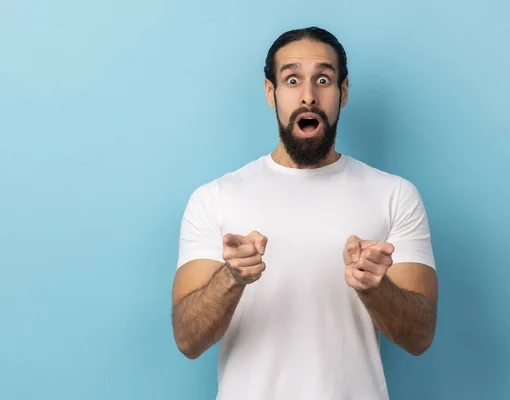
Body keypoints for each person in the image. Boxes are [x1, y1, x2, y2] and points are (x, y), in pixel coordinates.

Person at [171, 26, 438, 400]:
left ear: (343, 92)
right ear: (271, 93)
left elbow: (420, 337)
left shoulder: (395, 195)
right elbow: (187, 339)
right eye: (292, 79)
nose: (308, 97)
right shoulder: (215, 198)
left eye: (324, 80)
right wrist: (231, 277)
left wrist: (377, 289)